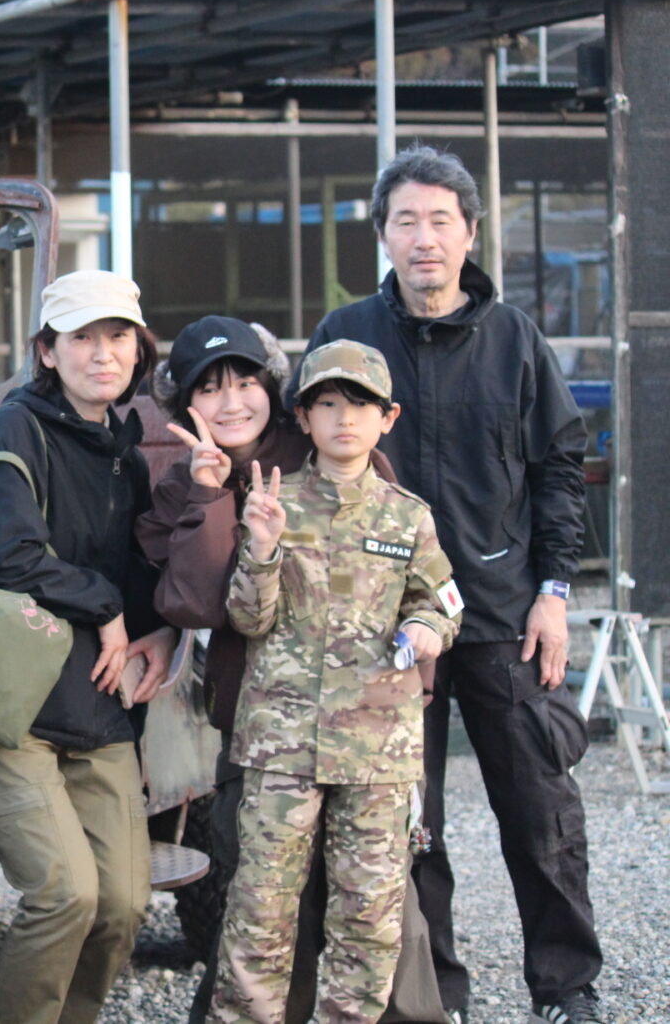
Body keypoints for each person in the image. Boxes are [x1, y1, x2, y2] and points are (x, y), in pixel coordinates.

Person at [305, 145, 600, 1024]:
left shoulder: (516, 340)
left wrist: (554, 590)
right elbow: (304, 461)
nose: (424, 238)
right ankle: (434, 999)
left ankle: (566, 988)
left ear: (471, 231)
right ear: (383, 235)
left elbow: (560, 468)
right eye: (406, 220)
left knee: (541, 810)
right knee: (405, 820)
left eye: (441, 220)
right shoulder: (347, 336)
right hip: (381, 622)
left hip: (504, 614)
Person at [136, 316, 427, 1024]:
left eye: (245, 382)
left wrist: (407, 699)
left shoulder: (328, 446)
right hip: (263, 731)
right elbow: (200, 603)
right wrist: (210, 497)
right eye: (210, 389)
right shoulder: (179, 485)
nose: (232, 402)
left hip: (364, 733)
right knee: (262, 902)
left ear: (275, 391)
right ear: (185, 405)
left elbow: (408, 580)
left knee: (382, 909)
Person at [0, 268, 177, 1024]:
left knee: (123, 903)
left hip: (96, 702)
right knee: (65, 894)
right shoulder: (16, 428)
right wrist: (103, 604)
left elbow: (142, 577)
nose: (102, 354)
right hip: (9, 704)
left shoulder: (125, 455)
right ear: (47, 351)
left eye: (118, 337)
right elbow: (7, 554)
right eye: (82, 338)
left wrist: (161, 627)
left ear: (138, 351)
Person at [211, 339, 462, 1024]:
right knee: (259, 909)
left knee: (370, 916)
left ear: (388, 417)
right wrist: (262, 548)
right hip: (282, 746)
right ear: (303, 416)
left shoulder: (408, 515)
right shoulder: (273, 502)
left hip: (377, 749)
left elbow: (442, 601)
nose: (344, 418)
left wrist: (426, 627)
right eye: (327, 404)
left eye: (361, 405)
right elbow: (246, 617)